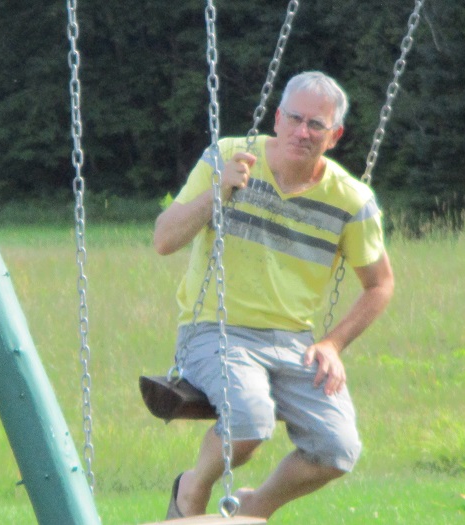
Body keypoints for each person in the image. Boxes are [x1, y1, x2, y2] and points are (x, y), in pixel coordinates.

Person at [153, 71, 395, 520]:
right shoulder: (229, 155)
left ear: (335, 135)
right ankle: (192, 489)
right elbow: (164, 240)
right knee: (249, 420)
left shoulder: (350, 200)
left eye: (316, 125)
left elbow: (380, 284)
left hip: (293, 342)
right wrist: (219, 191)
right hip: (214, 329)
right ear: (278, 119)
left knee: (338, 447)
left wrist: (332, 343)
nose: (303, 132)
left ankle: (254, 508)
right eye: (295, 119)